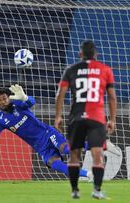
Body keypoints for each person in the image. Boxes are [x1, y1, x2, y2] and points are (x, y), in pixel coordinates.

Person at [0, 85, 93, 180]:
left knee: (65, 149)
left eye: (4, 98)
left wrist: (25, 97)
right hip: (40, 147)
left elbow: (31, 102)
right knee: (54, 164)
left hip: (47, 134)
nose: (2, 102)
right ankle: (88, 174)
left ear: (9, 98)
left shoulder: (18, 104)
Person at [55, 40, 117, 199]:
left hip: (76, 118)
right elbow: (111, 97)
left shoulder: (71, 70)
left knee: (74, 155)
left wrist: (58, 116)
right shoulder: (105, 70)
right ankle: (96, 190)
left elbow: (60, 95)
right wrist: (112, 119)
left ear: (80, 54)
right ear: (96, 54)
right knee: (97, 155)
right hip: (97, 119)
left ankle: (75, 190)